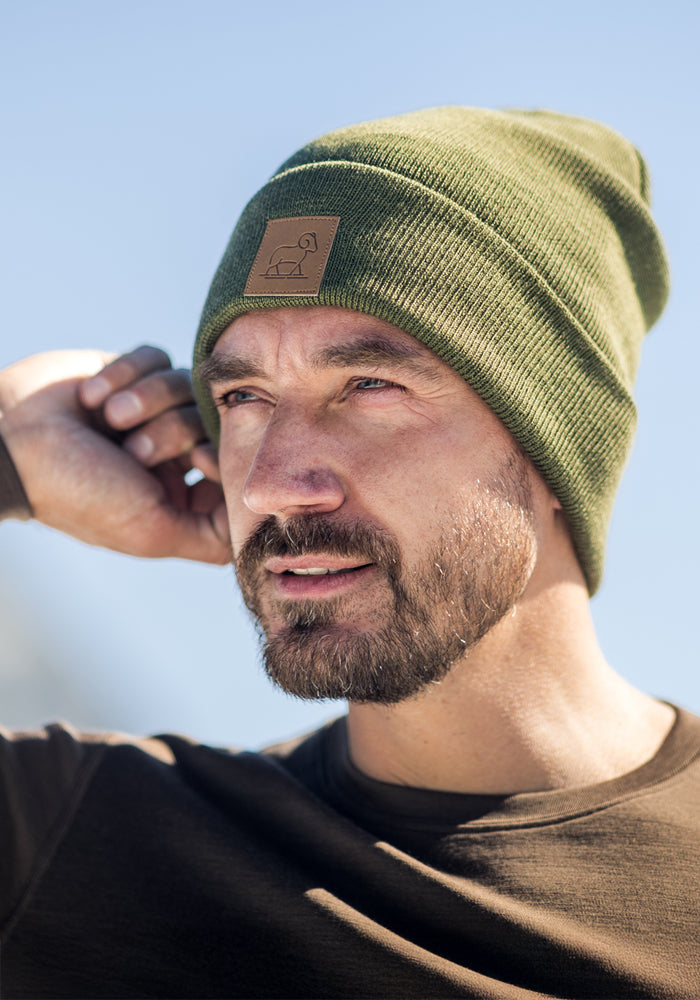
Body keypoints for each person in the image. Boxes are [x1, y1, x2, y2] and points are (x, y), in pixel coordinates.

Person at [0, 107, 697, 999]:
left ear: (555, 439)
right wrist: (10, 464)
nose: (273, 485)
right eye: (245, 396)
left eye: (370, 385)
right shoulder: (80, 840)